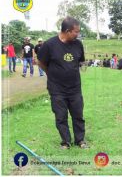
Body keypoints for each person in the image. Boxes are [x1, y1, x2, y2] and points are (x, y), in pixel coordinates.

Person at [37, 17, 88, 149]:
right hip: (57, 88)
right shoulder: (49, 45)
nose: (78, 34)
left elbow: (81, 61)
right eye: (76, 32)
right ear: (67, 31)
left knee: (78, 114)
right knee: (61, 116)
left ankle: (80, 140)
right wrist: (51, 74)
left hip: (75, 88)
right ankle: (66, 142)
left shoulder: (78, 44)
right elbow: (41, 62)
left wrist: (80, 67)